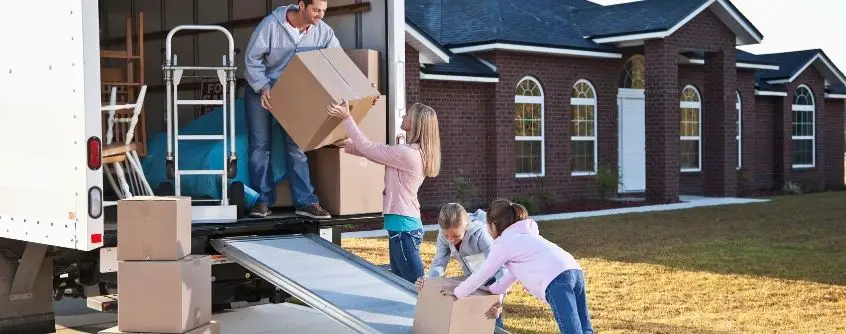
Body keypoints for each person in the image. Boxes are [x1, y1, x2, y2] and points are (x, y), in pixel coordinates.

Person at [243, 0, 340, 219]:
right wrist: (262, 87)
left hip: (293, 95)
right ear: (301, 5)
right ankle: (261, 201)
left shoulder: (324, 31)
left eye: (324, 11)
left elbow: (335, 61)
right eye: (316, 10)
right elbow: (252, 58)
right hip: (261, 90)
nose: (320, 15)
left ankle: (305, 202)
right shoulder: (271, 25)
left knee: (297, 147)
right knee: (260, 146)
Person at [327, 101, 441, 283]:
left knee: (415, 286)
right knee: (401, 284)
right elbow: (370, 152)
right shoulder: (412, 153)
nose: (403, 116)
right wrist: (343, 144)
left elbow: (369, 148)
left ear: (417, 123)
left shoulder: (407, 153)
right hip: (402, 227)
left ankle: (426, 312)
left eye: (407, 115)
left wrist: (348, 118)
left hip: (404, 229)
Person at [440, 199, 594, 334]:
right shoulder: (525, 237)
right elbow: (510, 276)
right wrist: (494, 292)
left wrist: (458, 292)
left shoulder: (503, 244)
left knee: (571, 330)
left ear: (493, 225)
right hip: (574, 269)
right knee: (585, 326)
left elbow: (482, 274)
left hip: (556, 279)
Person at [416, 202, 509, 329]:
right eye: (446, 235)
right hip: (470, 281)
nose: (450, 240)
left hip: (493, 281)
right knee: (472, 320)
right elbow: (439, 262)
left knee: (492, 319)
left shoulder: (481, 234)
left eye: (456, 236)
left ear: (466, 227)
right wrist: (430, 281)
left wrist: (499, 298)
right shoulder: (444, 236)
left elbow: (501, 269)